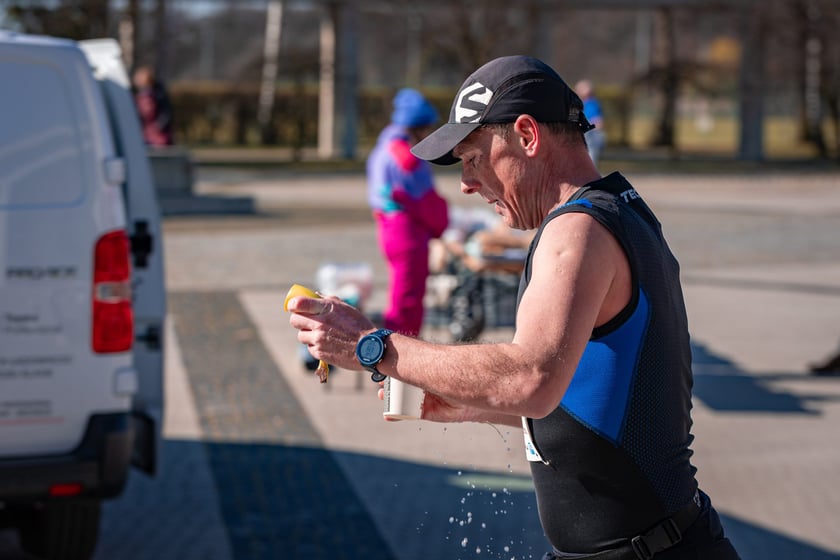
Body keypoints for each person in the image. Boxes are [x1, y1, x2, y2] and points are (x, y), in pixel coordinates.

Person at [288, 56, 740, 559]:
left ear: (526, 136)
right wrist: (464, 406)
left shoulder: (578, 231)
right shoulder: (618, 209)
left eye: (474, 158)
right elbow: (584, 395)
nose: (464, 183)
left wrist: (373, 346)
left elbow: (531, 377)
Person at [366, 88, 449, 336]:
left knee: (401, 294)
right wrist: (441, 222)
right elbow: (423, 200)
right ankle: (400, 359)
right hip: (407, 233)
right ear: (418, 127)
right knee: (408, 302)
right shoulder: (406, 157)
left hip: (389, 228)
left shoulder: (384, 145)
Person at [132, 65, 175, 147]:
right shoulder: (140, 96)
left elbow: (166, 114)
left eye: (139, 78)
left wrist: (157, 126)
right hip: (147, 136)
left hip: (158, 138)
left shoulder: (157, 95)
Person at [575, 79, 606, 166]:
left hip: (590, 135)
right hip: (585, 134)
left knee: (590, 159)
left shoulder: (592, 104)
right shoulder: (582, 103)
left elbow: (598, 122)